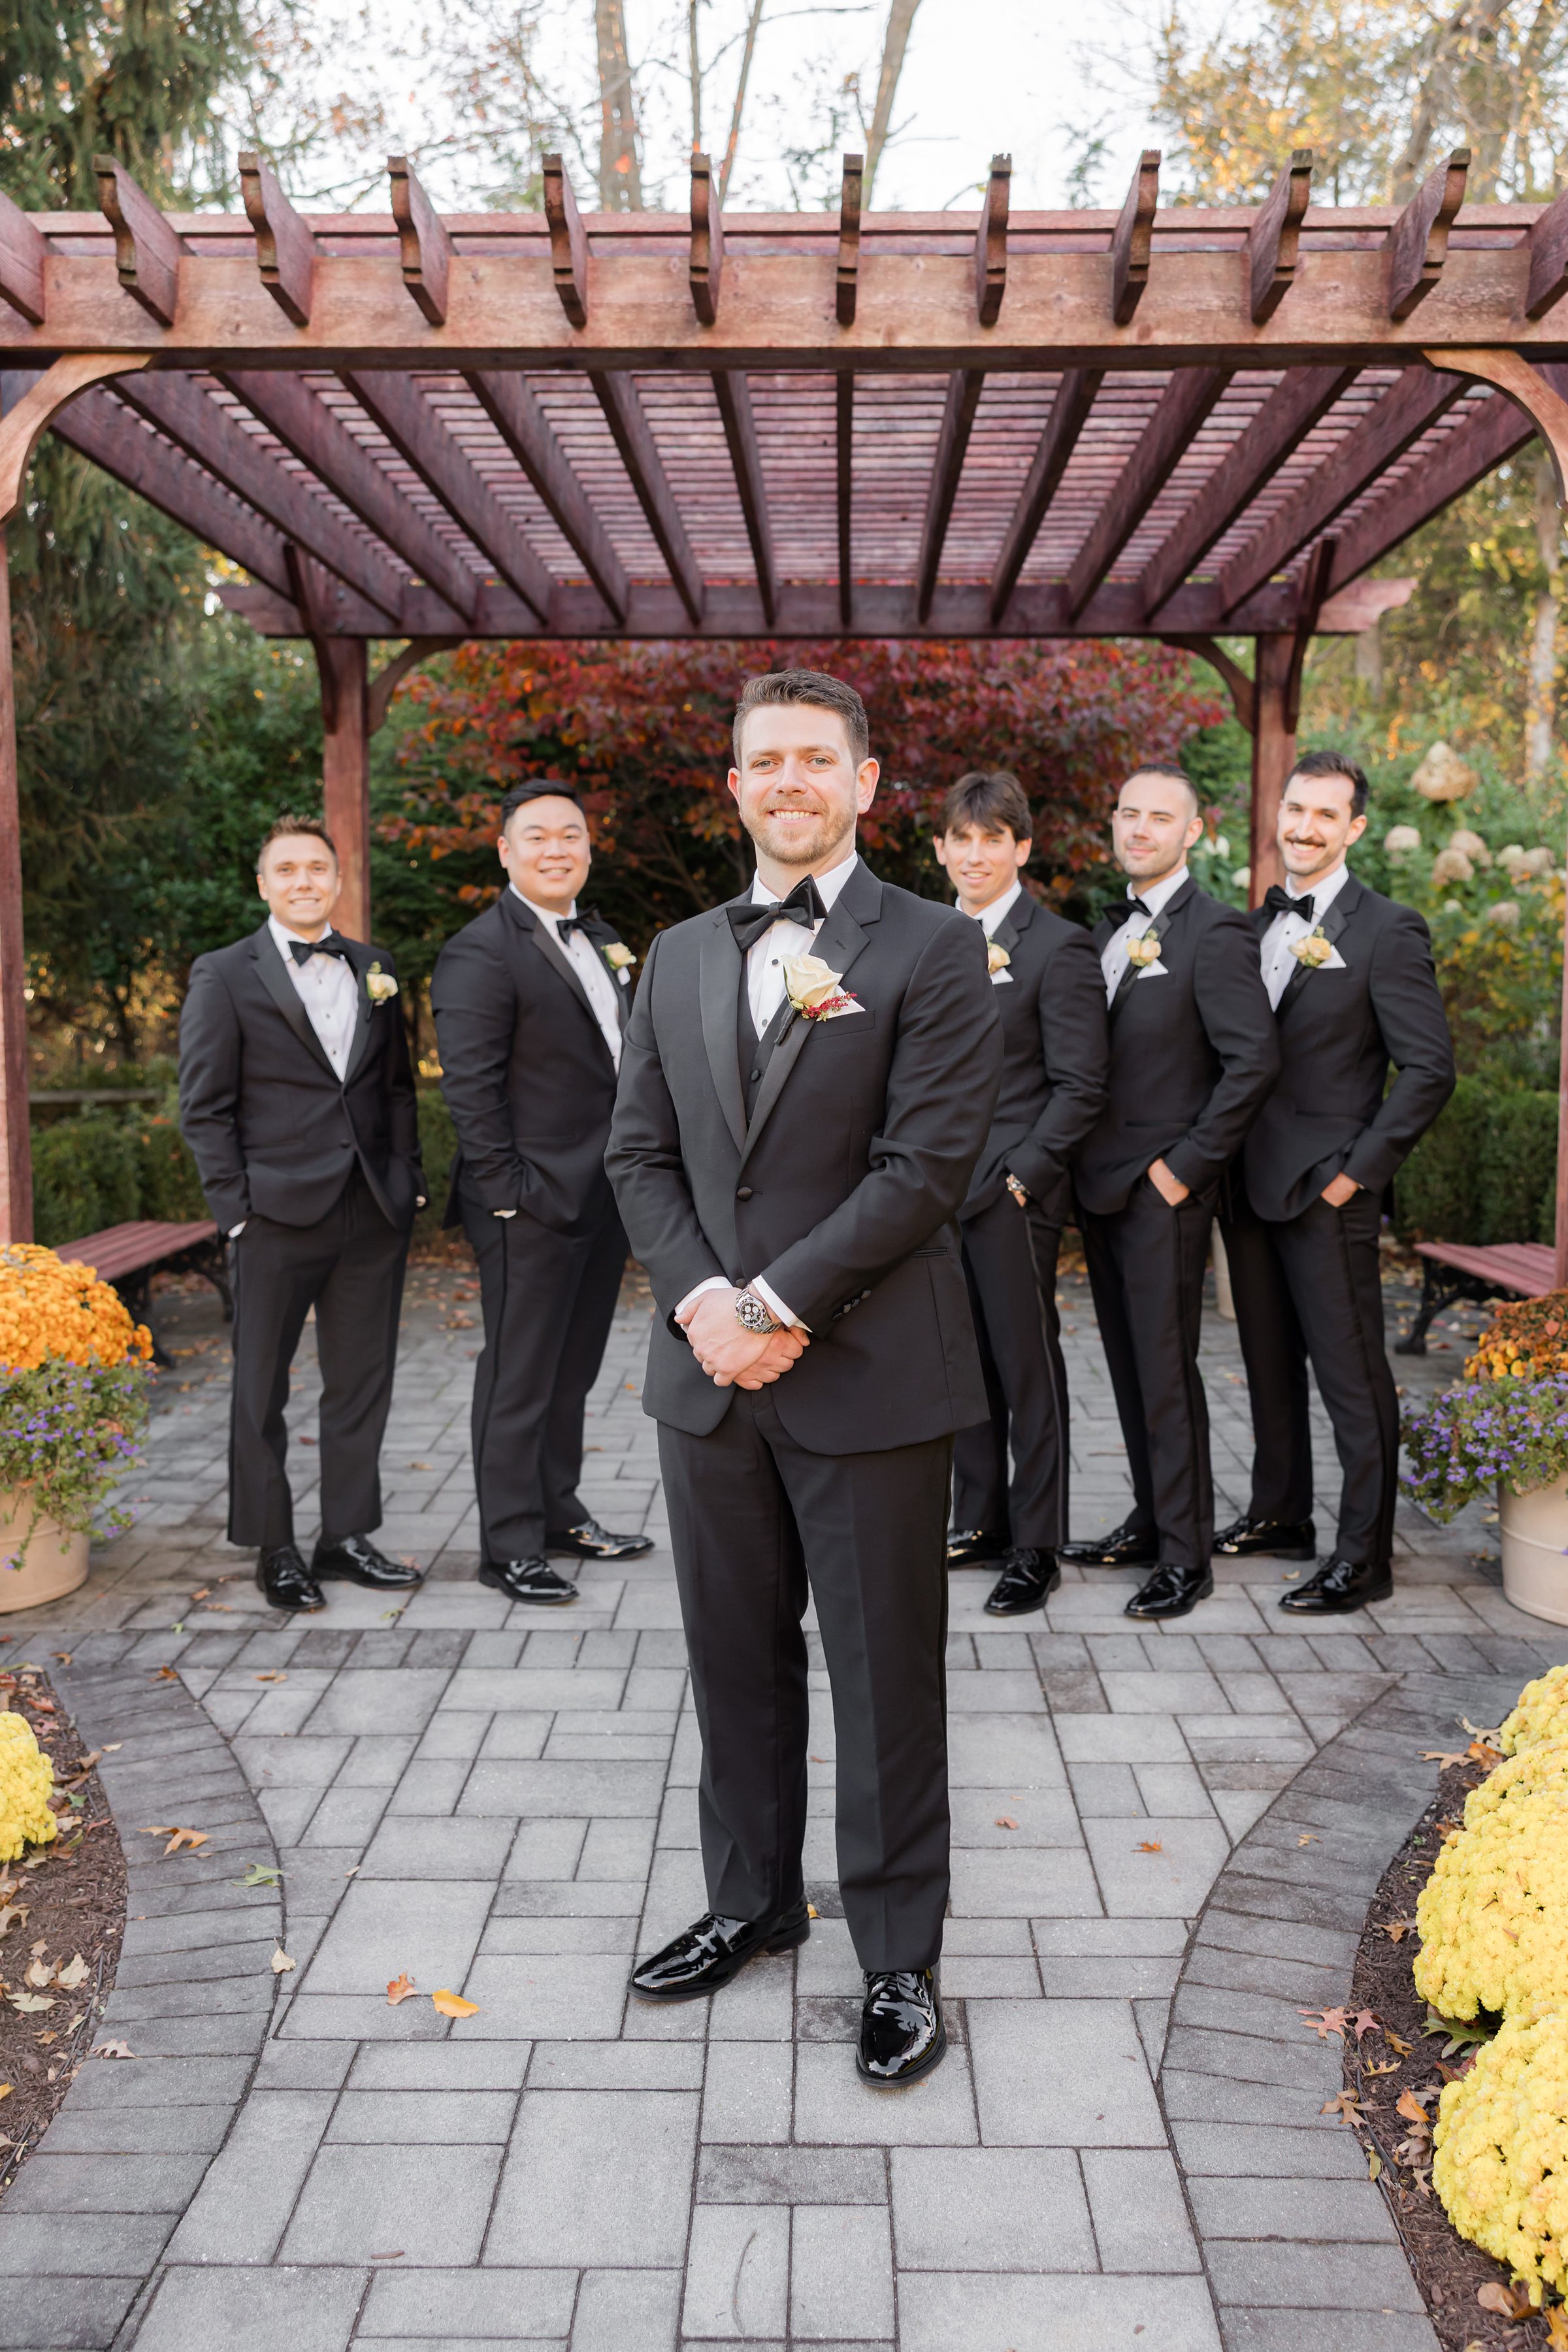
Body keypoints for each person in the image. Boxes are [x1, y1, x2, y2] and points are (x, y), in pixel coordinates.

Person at [606, 668, 1001, 2085]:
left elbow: (927, 1168)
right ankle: (751, 1901)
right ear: (733, 786)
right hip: (707, 1380)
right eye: (764, 761)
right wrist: (711, 1304)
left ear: (865, 784)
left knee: (885, 1676)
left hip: (874, 1378)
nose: (789, 781)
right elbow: (637, 1155)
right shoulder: (678, 953)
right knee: (733, 1658)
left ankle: (898, 1954)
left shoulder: (937, 949)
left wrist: (779, 1301)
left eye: (815, 762)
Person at [1217, 750, 1455, 1614]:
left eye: (1326, 815)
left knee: (1353, 1381)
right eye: (1296, 810)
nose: (1305, 828)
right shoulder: (1248, 929)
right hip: (1246, 1188)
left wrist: (1358, 1177)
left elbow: (1429, 1069)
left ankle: (1365, 1557)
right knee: (1268, 1363)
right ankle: (1280, 1513)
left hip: (1328, 1192)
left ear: (1353, 829)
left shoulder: (1388, 929)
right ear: (1278, 813)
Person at [178, 815, 426, 1614]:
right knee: (260, 1390)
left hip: (370, 1211)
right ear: (264, 884)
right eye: (286, 869)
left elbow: (394, 1087)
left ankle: (346, 1536)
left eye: (316, 867)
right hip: (275, 1216)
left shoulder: (375, 966)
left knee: (361, 1383)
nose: (303, 880)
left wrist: (408, 1182)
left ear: (337, 877)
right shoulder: (224, 975)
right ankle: (275, 1546)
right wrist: (236, 1212)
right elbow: (205, 1106)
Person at [1060, 764, 1279, 1620]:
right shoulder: (1107, 929)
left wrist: (1183, 1168)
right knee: (1125, 1367)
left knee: (1164, 1371)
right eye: (1127, 814)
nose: (1140, 829)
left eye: (1160, 818)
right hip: (1099, 1188)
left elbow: (1252, 1063)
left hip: (1163, 1192)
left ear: (1193, 832)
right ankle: (1152, 1521)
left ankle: (1186, 1557)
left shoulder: (1218, 934)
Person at [431, 781, 652, 1607]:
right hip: (525, 1205)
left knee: (573, 1371)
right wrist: (507, 1196)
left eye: (571, 835)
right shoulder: (479, 951)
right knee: (519, 1378)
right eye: (538, 836)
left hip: (604, 1198)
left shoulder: (602, 938)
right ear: (506, 851)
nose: (556, 848)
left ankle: (560, 1513)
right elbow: (471, 1088)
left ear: (589, 848)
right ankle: (509, 1544)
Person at [933, 770, 1107, 1617]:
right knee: (960, 1366)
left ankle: (1037, 1546)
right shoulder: (926, 939)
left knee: (1027, 1369)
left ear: (1022, 848)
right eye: (962, 839)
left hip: (1010, 1197)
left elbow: (1080, 1084)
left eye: (992, 839)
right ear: (941, 849)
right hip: (931, 1197)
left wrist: (1023, 1179)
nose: (976, 855)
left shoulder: (1059, 947)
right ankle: (981, 1521)